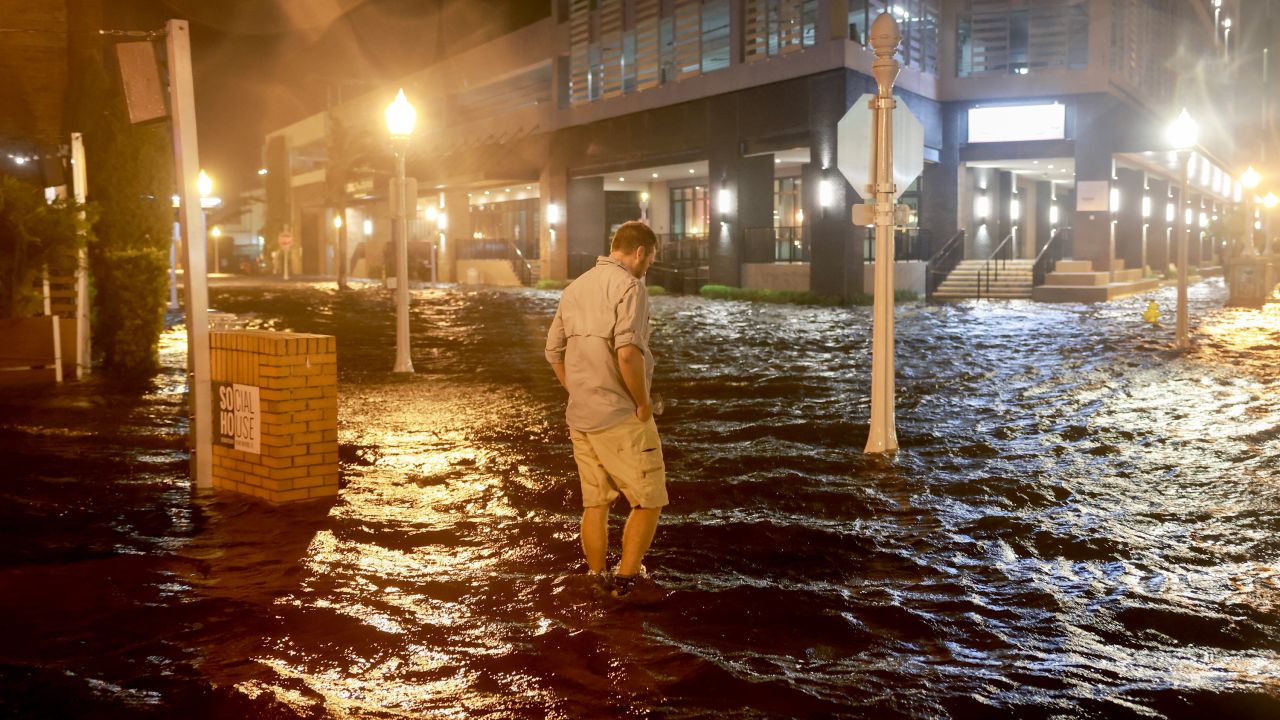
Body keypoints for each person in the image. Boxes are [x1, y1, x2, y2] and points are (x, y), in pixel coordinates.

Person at [545, 220, 666, 598]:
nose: (649, 267)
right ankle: (626, 583)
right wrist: (643, 404)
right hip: (619, 416)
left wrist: (578, 390)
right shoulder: (631, 287)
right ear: (640, 252)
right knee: (648, 500)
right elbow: (628, 353)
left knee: (595, 503)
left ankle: (597, 577)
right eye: (651, 260)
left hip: (581, 417)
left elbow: (552, 352)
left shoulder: (574, 288)